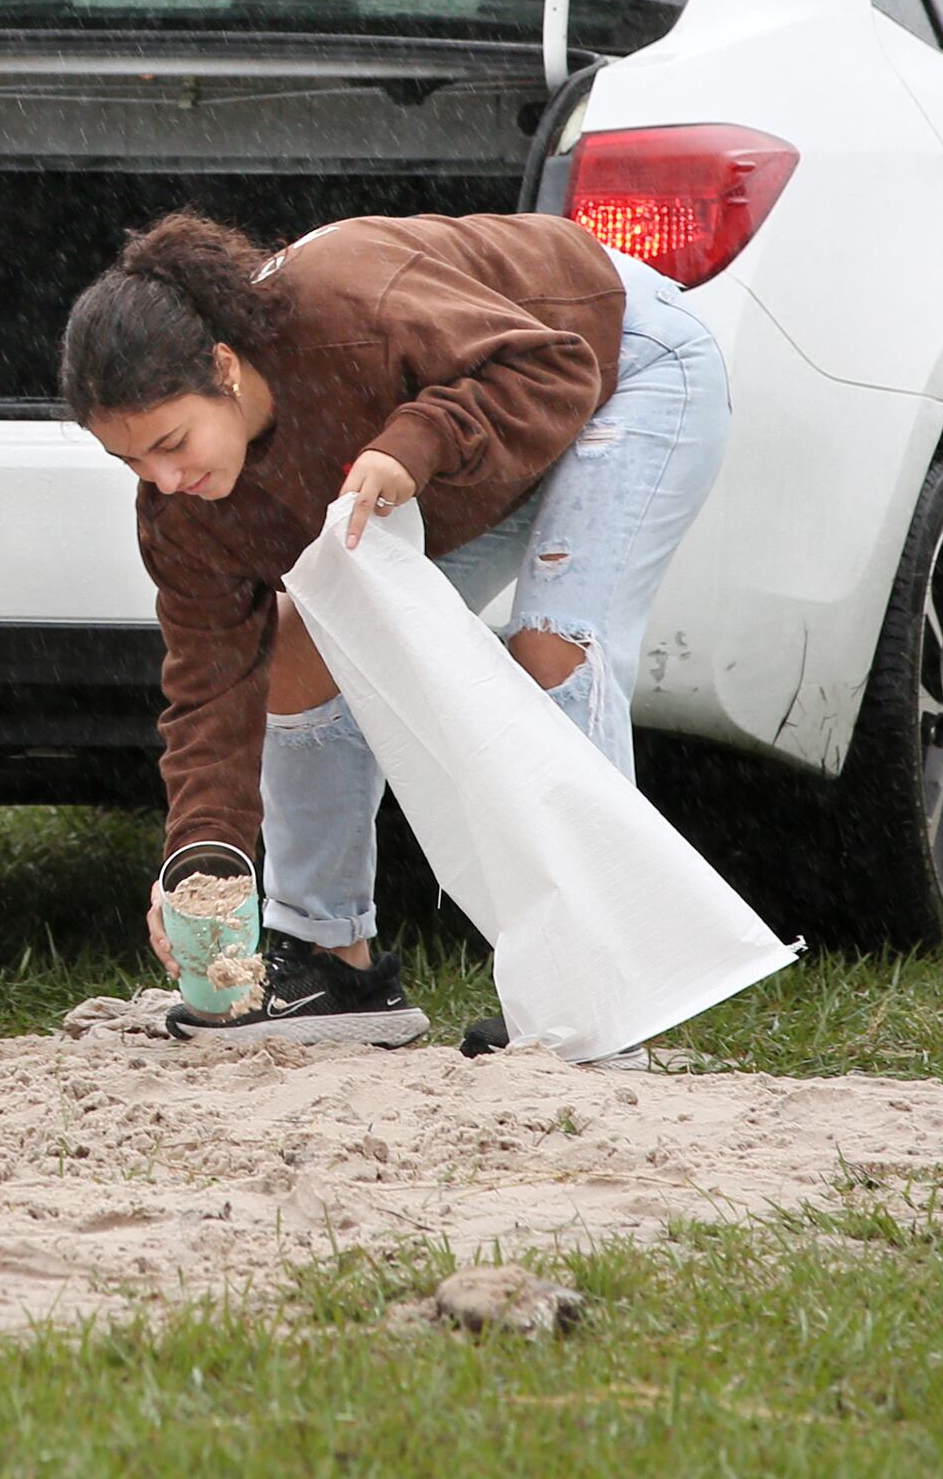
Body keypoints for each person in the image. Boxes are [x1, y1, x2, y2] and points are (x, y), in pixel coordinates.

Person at [59, 211, 729, 1047]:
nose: (164, 477)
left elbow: (553, 363)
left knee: (552, 642)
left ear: (224, 371)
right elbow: (208, 691)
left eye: (171, 441)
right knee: (305, 643)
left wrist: (416, 442)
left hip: (621, 362)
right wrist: (199, 859)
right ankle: (334, 966)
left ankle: (598, 991)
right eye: (132, 462)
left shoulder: (347, 300)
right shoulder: (181, 516)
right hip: (460, 445)